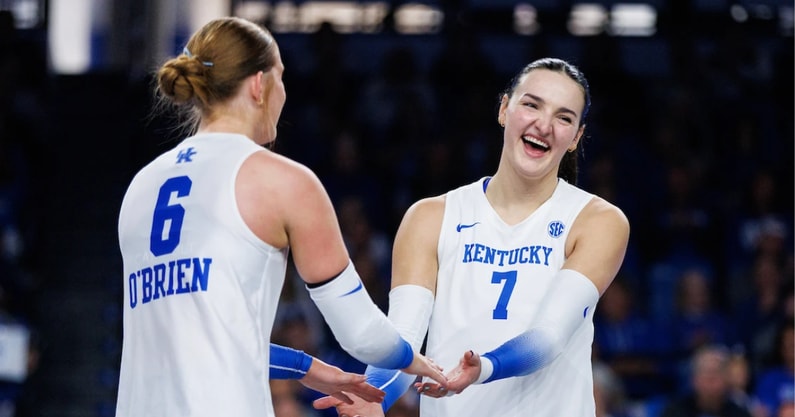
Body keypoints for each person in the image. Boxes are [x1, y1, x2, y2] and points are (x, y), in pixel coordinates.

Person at [115, 16, 446, 417]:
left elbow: (199, 335)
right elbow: (361, 335)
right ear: (259, 85)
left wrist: (304, 366)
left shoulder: (141, 187)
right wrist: (413, 359)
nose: (285, 92)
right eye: (282, 77)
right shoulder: (283, 181)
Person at [315, 57, 630, 416]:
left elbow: (549, 337)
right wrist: (375, 394)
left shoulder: (597, 220)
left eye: (564, 117)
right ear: (504, 109)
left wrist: (484, 367)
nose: (544, 125)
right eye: (531, 104)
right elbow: (404, 337)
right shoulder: (429, 216)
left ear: (575, 138)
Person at [658, 344, 754, 417]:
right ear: (693, 380)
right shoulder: (674, 412)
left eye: (716, 373)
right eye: (704, 373)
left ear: (727, 379)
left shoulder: (739, 414)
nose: (710, 381)